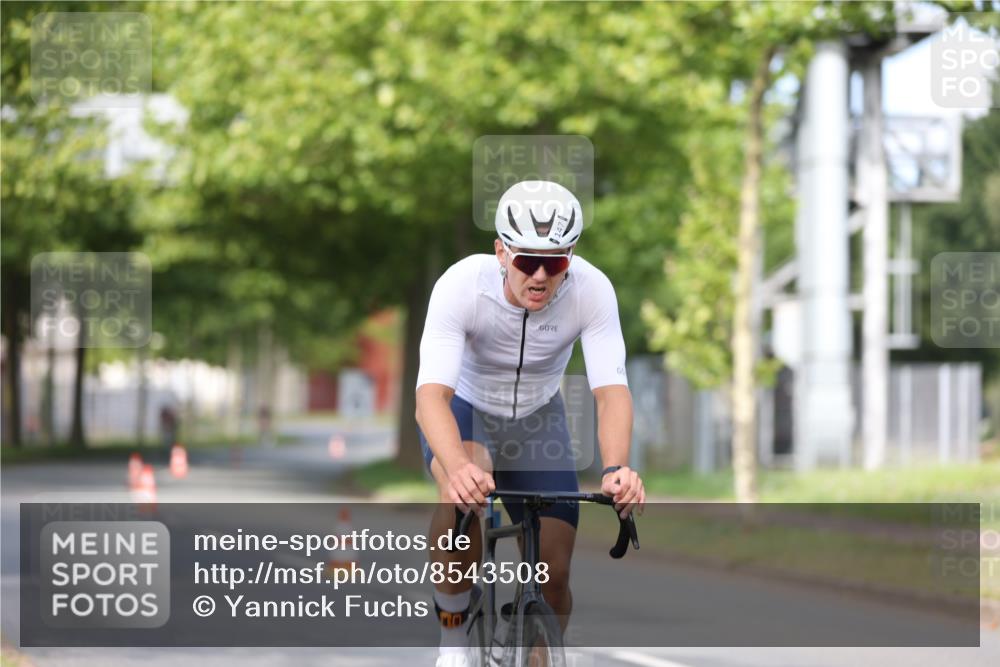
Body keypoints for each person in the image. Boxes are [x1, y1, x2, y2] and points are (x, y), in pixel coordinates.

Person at [415, 180, 646, 666]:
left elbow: (611, 393)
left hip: (539, 419)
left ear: (571, 257)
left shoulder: (592, 291)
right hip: (467, 411)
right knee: (464, 494)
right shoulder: (461, 286)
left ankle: (542, 654)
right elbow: (431, 397)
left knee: (555, 572)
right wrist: (456, 467)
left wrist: (617, 468)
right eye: (526, 261)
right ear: (500, 252)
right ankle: (454, 640)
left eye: (556, 262)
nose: (540, 275)